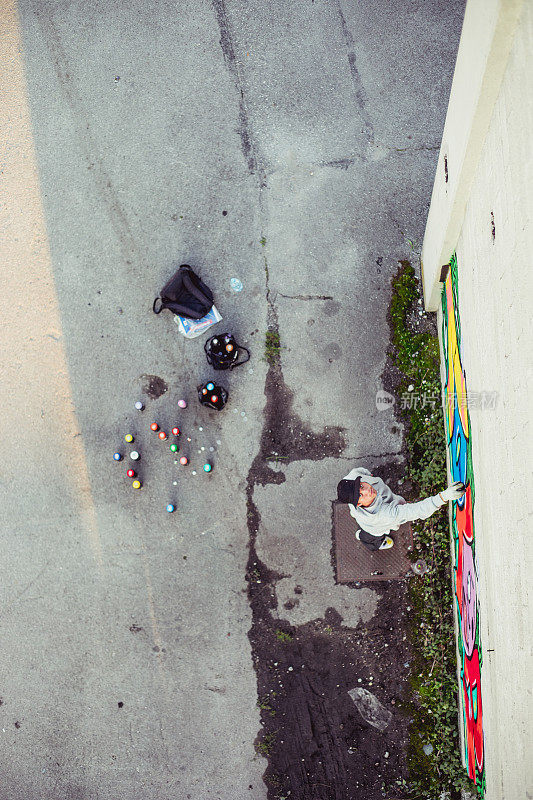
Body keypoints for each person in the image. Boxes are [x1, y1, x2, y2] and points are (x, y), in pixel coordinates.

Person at [337, 467, 466, 551]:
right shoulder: (386, 515)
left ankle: (364, 533)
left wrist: (367, 473)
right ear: (358, 504)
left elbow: (359, 471)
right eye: (360, 495)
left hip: (361, 515)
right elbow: (417, 510)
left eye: (361, 485)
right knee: (372, 535)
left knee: (363, 522)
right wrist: (443, 497)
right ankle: (370, 541)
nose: (367, 490)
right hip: (374, 526)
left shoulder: (352, 477)